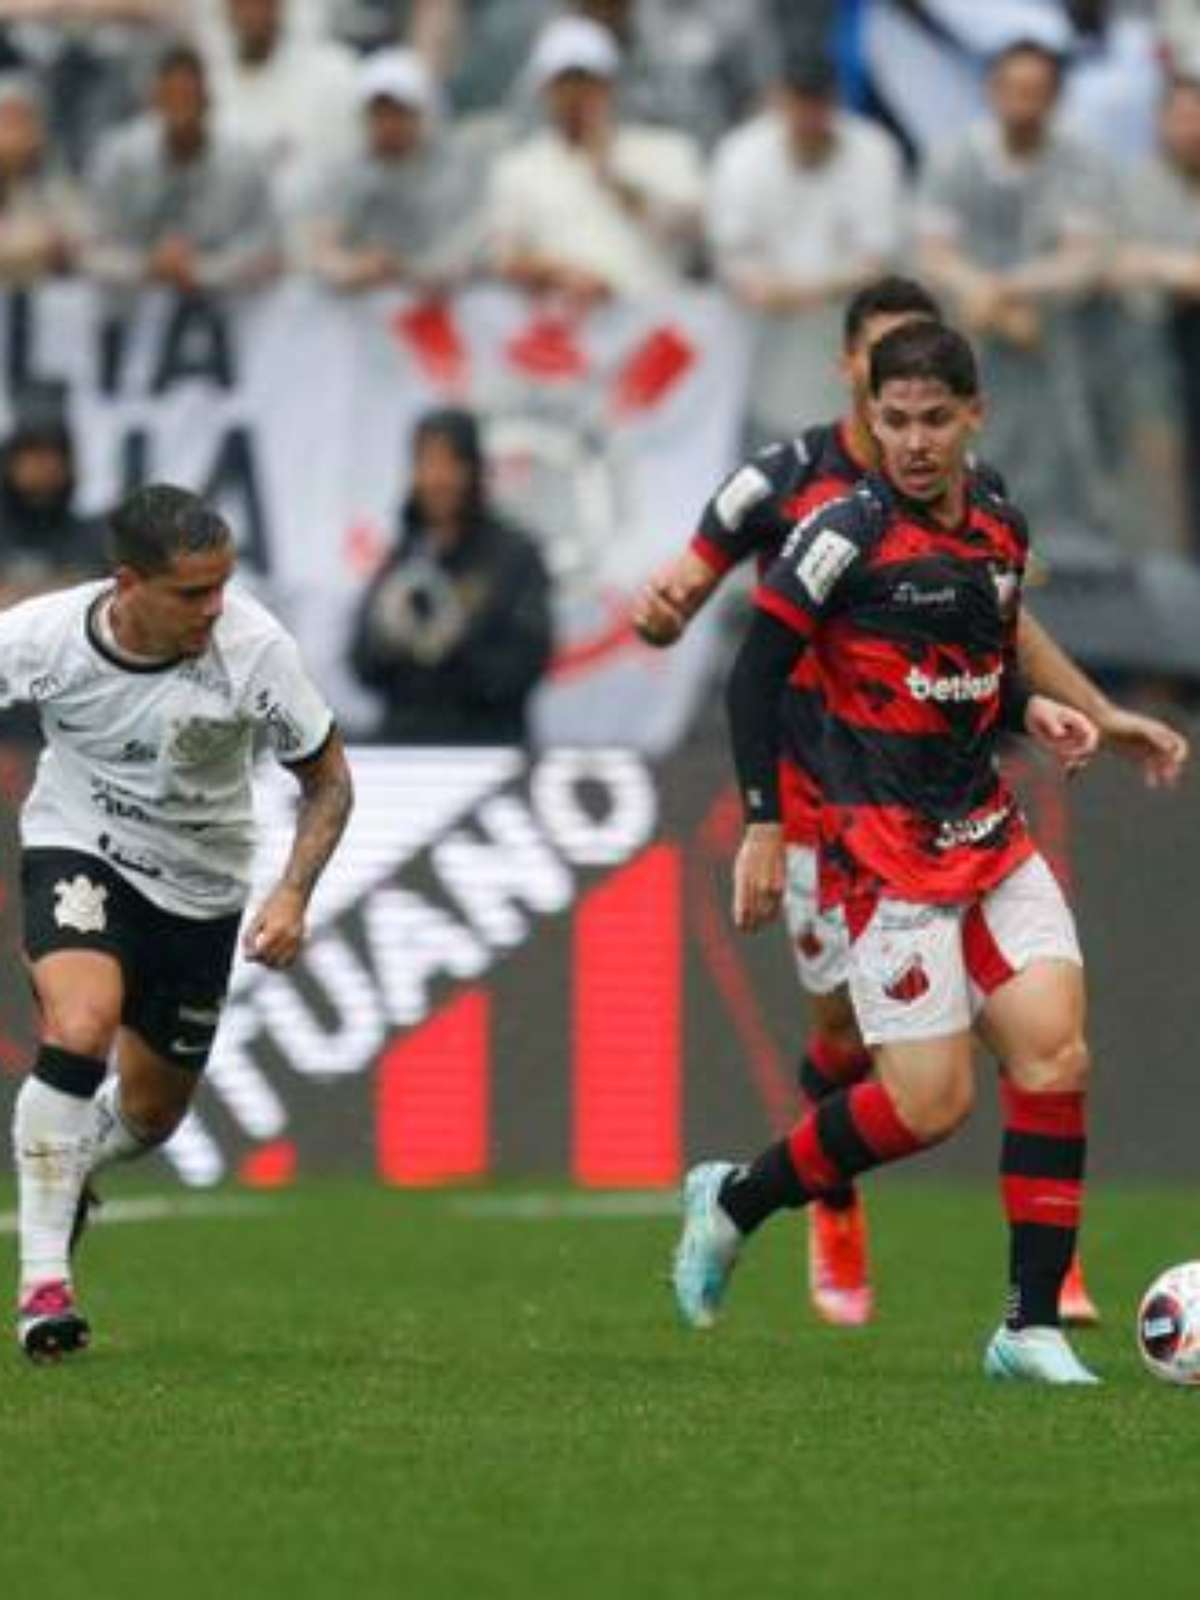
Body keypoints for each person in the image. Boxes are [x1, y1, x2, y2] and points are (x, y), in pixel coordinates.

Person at [638, 282, 1188, 1329]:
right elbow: (751, 674)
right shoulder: (826, 521)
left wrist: (1059, 713)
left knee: (1056, 1049)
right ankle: (749, 1197)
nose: (915, 439)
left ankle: (1033, 1317)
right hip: (864, 841)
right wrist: (762, 819)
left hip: (980, 827)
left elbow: (980, 662)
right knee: (918, 1093)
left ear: (974, 413)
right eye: (897, 417)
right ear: (859, 389)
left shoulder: (998, 524)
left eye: (935, 417)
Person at [8, 483, 354, 1361]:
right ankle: (44, 1287)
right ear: (128, 583)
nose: (215, 608)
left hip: (201, 890)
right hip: (78, 846)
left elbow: (329, 781)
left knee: (154, 1115)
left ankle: (72, 1166)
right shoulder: (40, 639)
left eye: (222, 586)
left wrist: (291, 894)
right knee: (80, 1025)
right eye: (193, 592)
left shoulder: (253, 651)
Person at [915, 36, 1116, 538]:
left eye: (1036, 91)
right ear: (991, 90)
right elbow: (932, 250)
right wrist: (985, 297)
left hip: (1057, 344)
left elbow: (1084, 258)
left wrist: (1003, 288)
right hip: (970, 335)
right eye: (1013, 89)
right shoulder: (954, 158)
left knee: (1059, 464)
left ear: (1054, 97)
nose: (1022, 103)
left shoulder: (1081, 162)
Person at [707, 50, 906, 449]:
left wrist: (797, 291)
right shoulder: (741, 155)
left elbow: (877, 260)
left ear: (834, 101)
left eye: (818, 102)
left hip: (846, 342)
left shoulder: (873, 151)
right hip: (762, 344)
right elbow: (730, 255)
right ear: (780, 100)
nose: (808, 115)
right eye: (799, 101)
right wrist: (764, 289)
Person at [349, 407, 553, 744]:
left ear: (473, 470)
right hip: (406, 749)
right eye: (426, 463)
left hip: (487, 747)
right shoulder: (403, 559)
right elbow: (362, 663)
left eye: (450, 464)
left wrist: (455, 646)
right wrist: (391, 641)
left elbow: (527, 662)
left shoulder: (514, 556)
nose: (438, 479)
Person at [485, 14, 705, 305]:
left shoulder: (668, 151)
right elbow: (503, 257)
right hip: (560, 333)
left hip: (654, 329)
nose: (575, 96)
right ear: (544, 90)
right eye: (564, 84)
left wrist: (613, 177)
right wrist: (559, 273)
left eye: (587, 83)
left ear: (611, 86)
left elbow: (695, 232)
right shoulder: (517, 168)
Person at [82, 44, 282, 294]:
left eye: (189, 97)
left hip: (225, 303)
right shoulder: (119, 160)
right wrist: (145, 265)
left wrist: (203, 270)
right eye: (171, 97)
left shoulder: (241, 164)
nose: (181, 111)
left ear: (207, 100)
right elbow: (90, 247)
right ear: (154, 101)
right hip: (132, 306)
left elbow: (268, 246)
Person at [308, 48, 485, 295]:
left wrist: (411, 269)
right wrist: (354, 268)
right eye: (379, 113)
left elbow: (469, 251)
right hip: (363, 307)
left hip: (437, 305)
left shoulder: (455, 174)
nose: (389, 125)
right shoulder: (344, 175)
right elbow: (323, 251)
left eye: (399, 113)